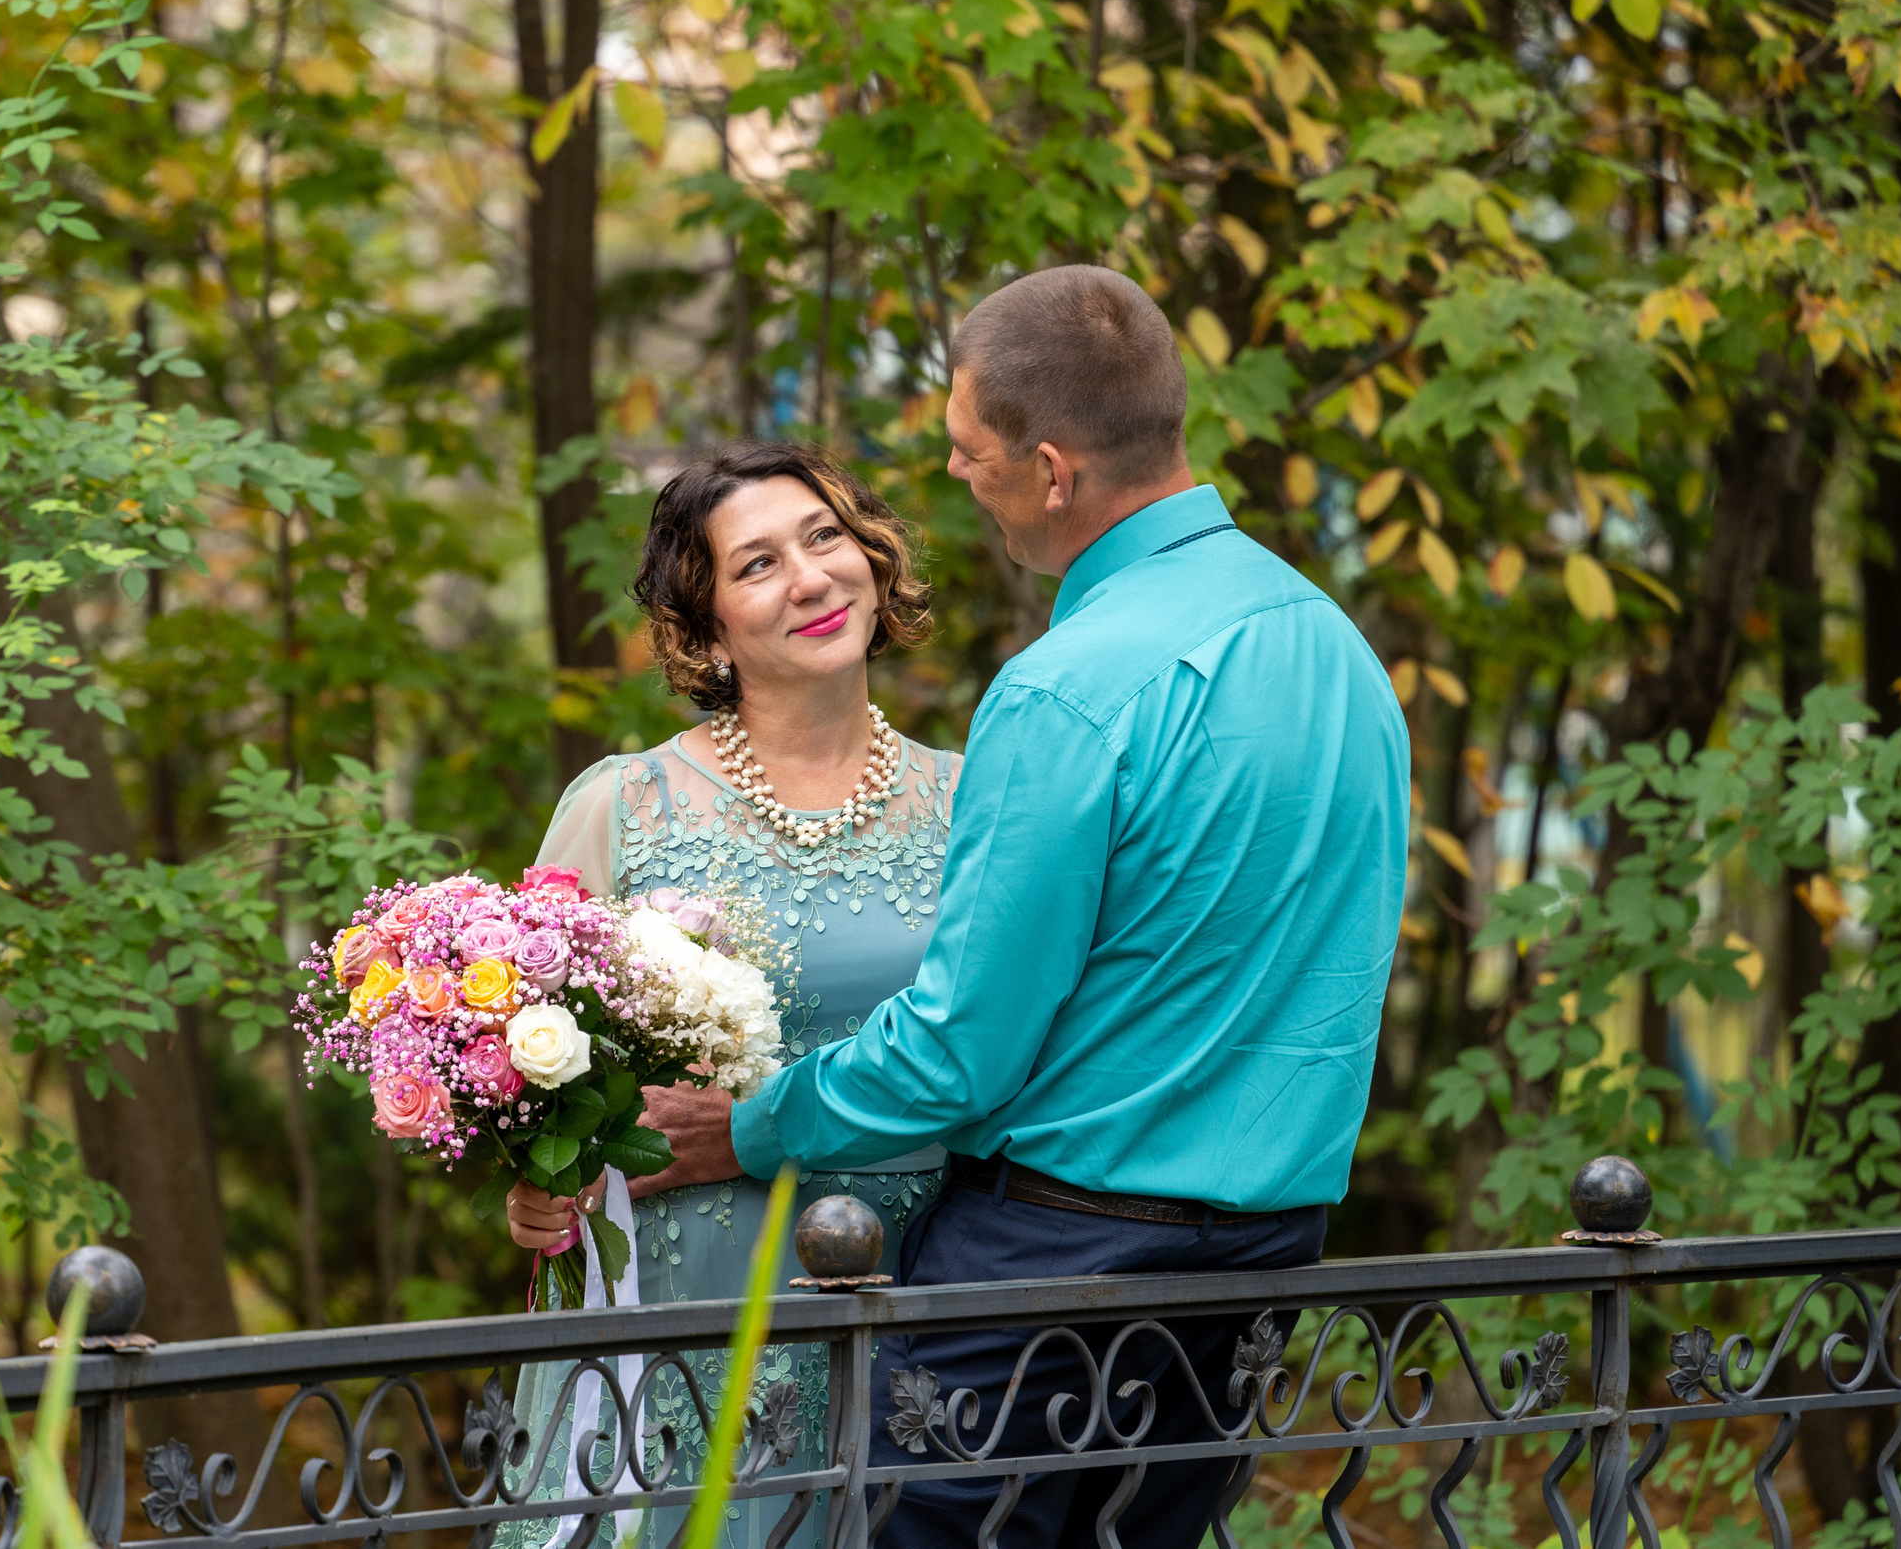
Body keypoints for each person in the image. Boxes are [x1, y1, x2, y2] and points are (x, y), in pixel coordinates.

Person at [630, 265, 1413, 1548]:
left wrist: (756, 1126)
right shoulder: (1335, 649)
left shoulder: (1065, 691)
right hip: (1268, 1255)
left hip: (1050, 1265)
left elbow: (962, 1044)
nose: (955, 477)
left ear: (1050, 470)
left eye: (967, 451)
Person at [501, 441, 964, 1549]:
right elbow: (526, 1068)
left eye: (824, 539)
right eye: (755, 565)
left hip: (918, 1283)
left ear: (872, 560)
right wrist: (539, 1190)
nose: (809, 578)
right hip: (685, 1297)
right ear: (704, 629)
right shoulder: (624, 804)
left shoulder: (976, 801)